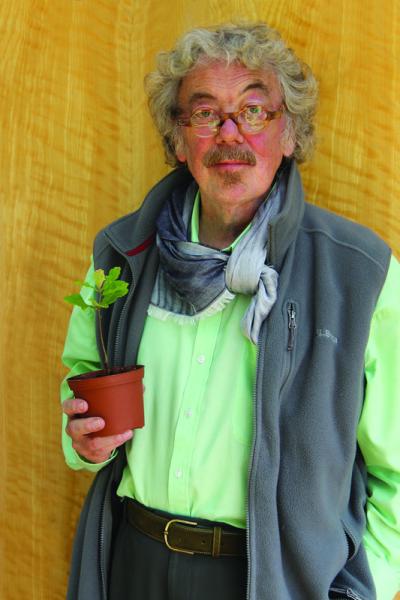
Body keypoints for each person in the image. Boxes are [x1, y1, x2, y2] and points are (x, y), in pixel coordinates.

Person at [60, 22, 400, 600]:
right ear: (177, 140)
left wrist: (363, 590)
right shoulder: (123, 255)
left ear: (289, 133)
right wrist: (83, 442)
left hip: (269, 579)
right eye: (205, 114)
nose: (230, 134)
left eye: (254, 110)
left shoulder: (359, 273)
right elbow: (81, 393)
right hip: (132, 563)